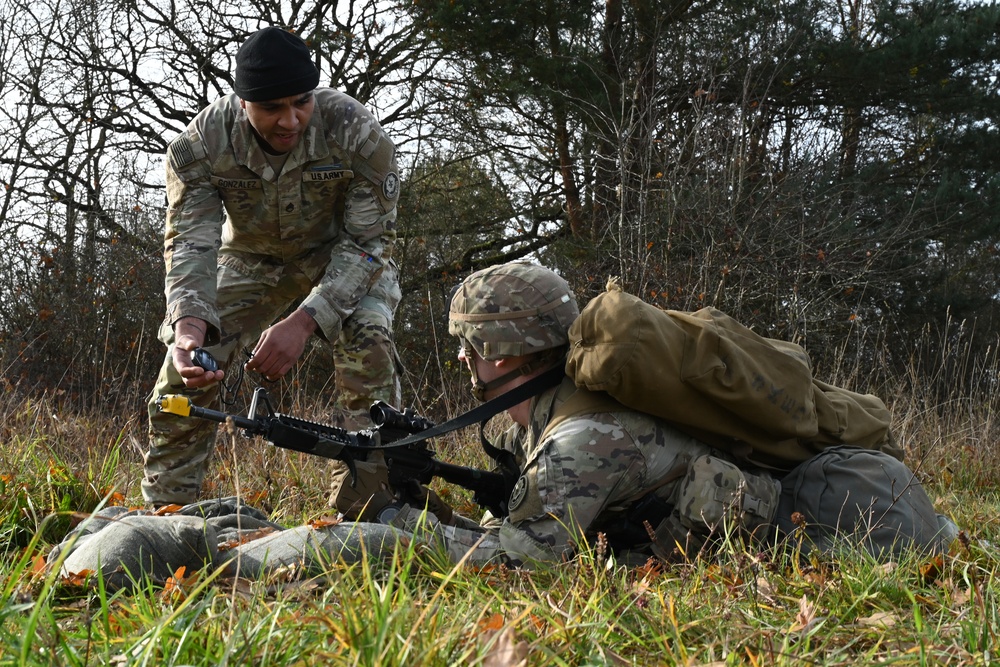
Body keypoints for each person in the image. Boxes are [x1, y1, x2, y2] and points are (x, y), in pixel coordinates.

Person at [334, 260, 782, 567]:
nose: (461, 357)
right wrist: (427, 510)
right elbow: (507, 532)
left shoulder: (582, 440)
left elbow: (517, 565)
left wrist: (392, 521)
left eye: (468, 343)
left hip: (800, 540)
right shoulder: (534, 422)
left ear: (502, 352)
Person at [144, 27, 402, 507]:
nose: (291, 120)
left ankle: (367, 507)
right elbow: (190, 242)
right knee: (188, 365)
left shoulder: (358, 135)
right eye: (272, 108)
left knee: (368, 348)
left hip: (344, 258)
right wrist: (188, 327)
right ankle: (168, 508)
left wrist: (305, 322)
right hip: (249, 259)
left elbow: (369, 244)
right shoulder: (200, 146)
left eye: (301, 102)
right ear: (243, 103)